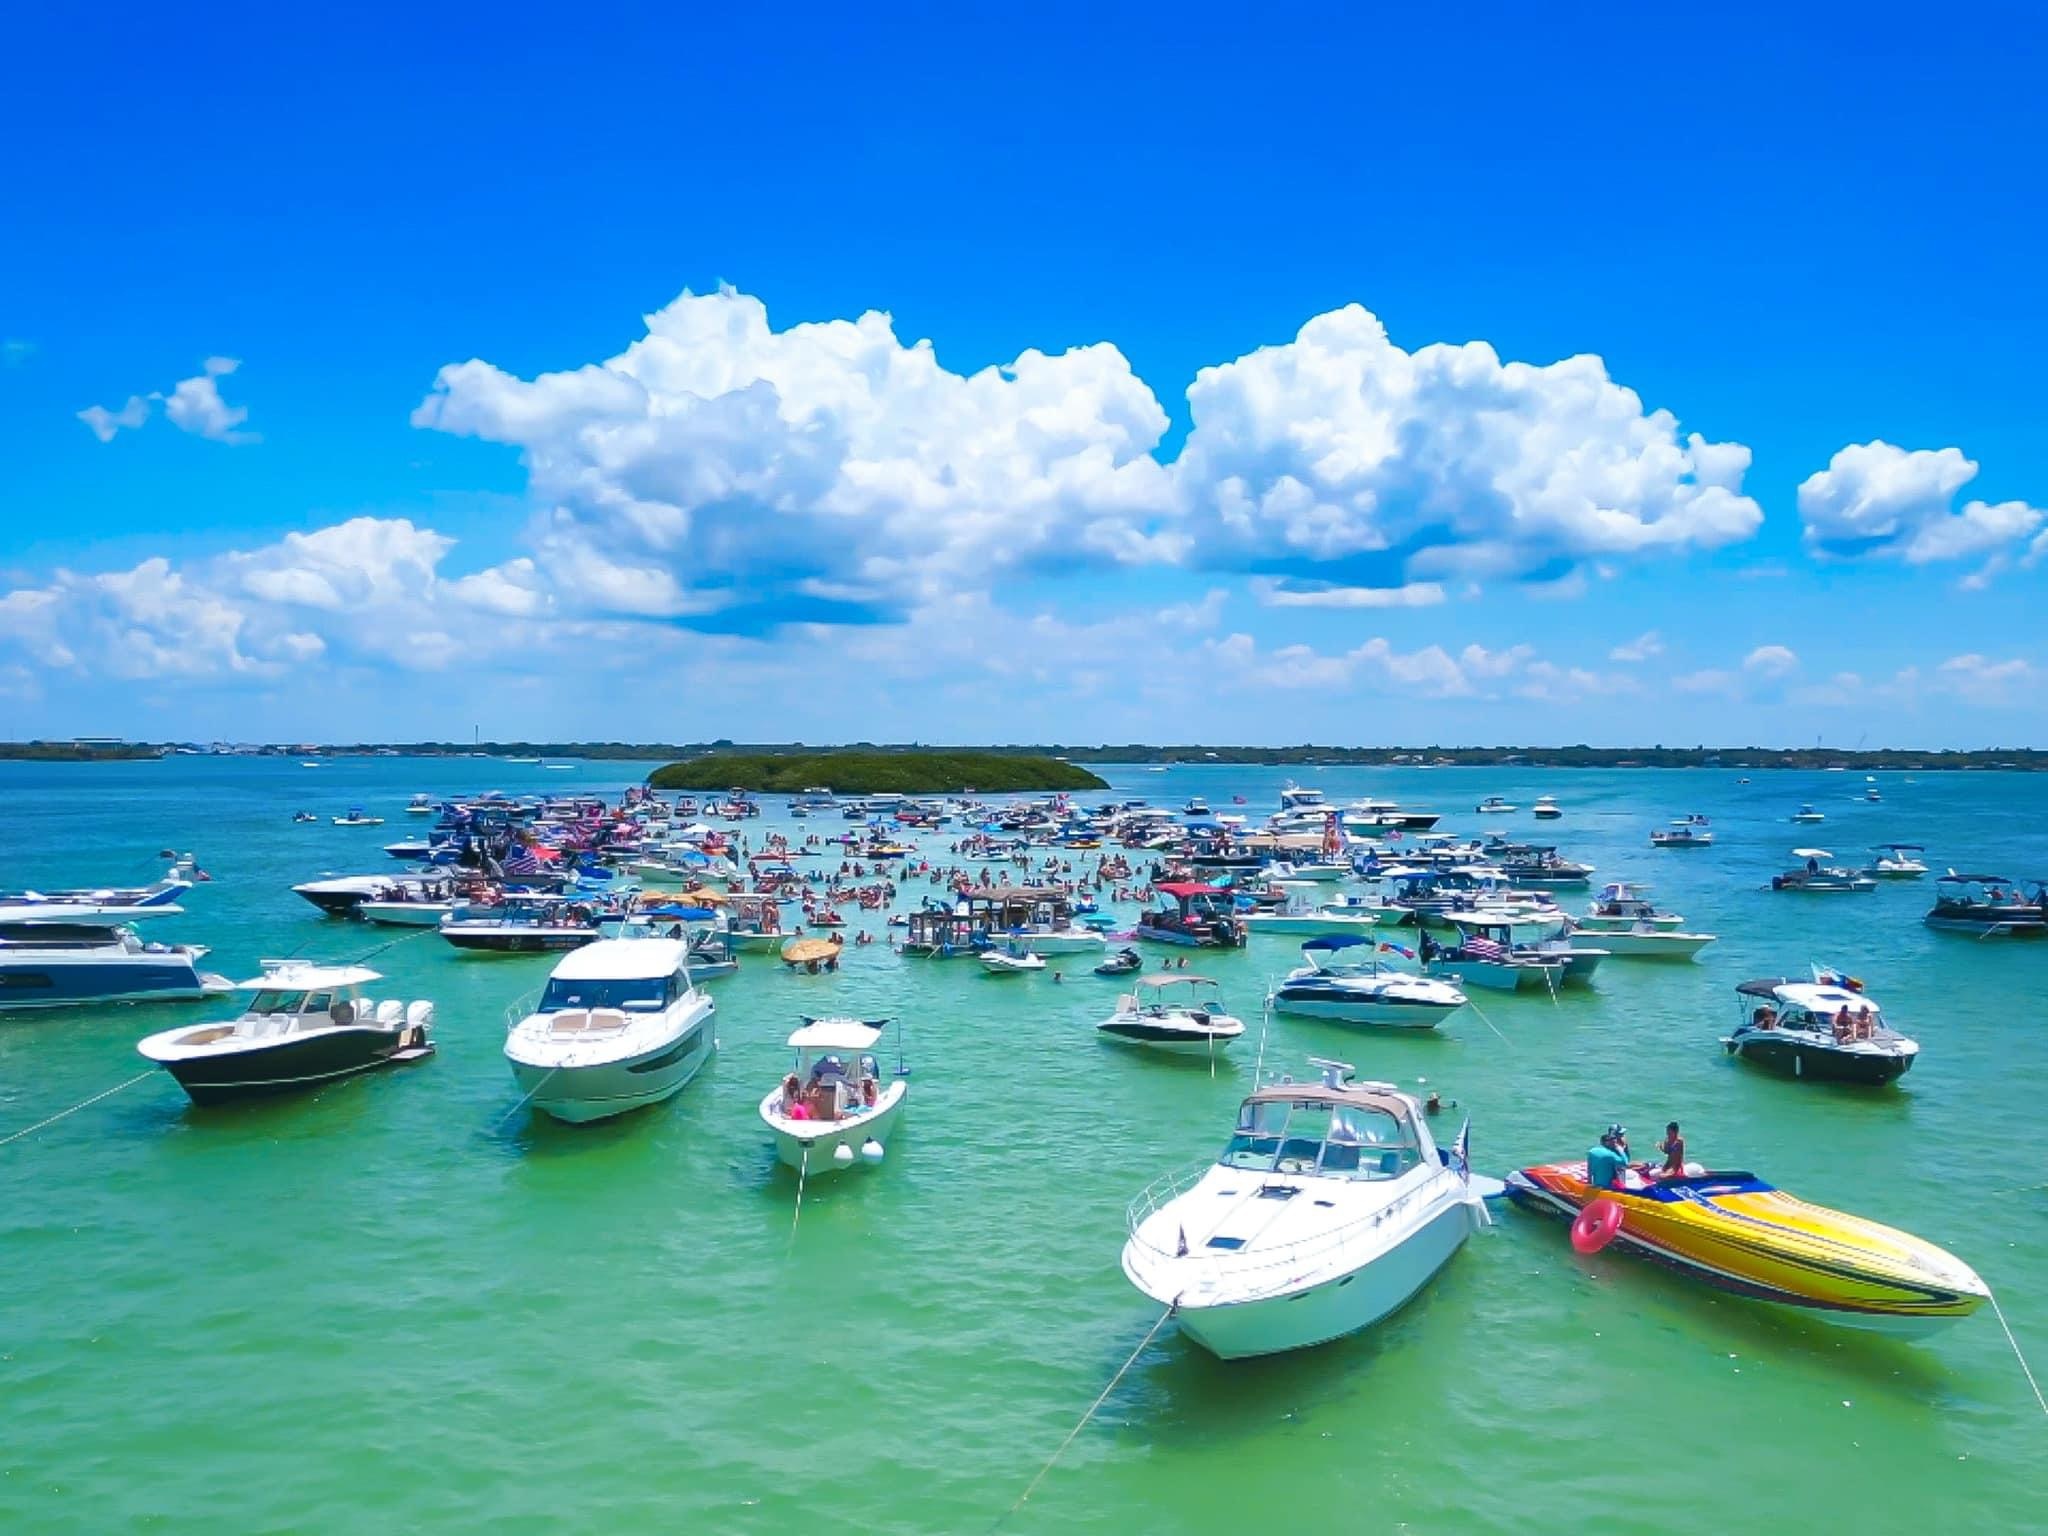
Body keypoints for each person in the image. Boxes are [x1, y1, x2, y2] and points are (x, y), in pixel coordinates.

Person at [1586, 1125, 1630, 1192]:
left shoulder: (1621, 1145)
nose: (1623, 1136)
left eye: (1623, 1134)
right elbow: (1624, 1163)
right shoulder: (1611, 1151)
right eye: (1621, 1134)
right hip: (1609, 1183)